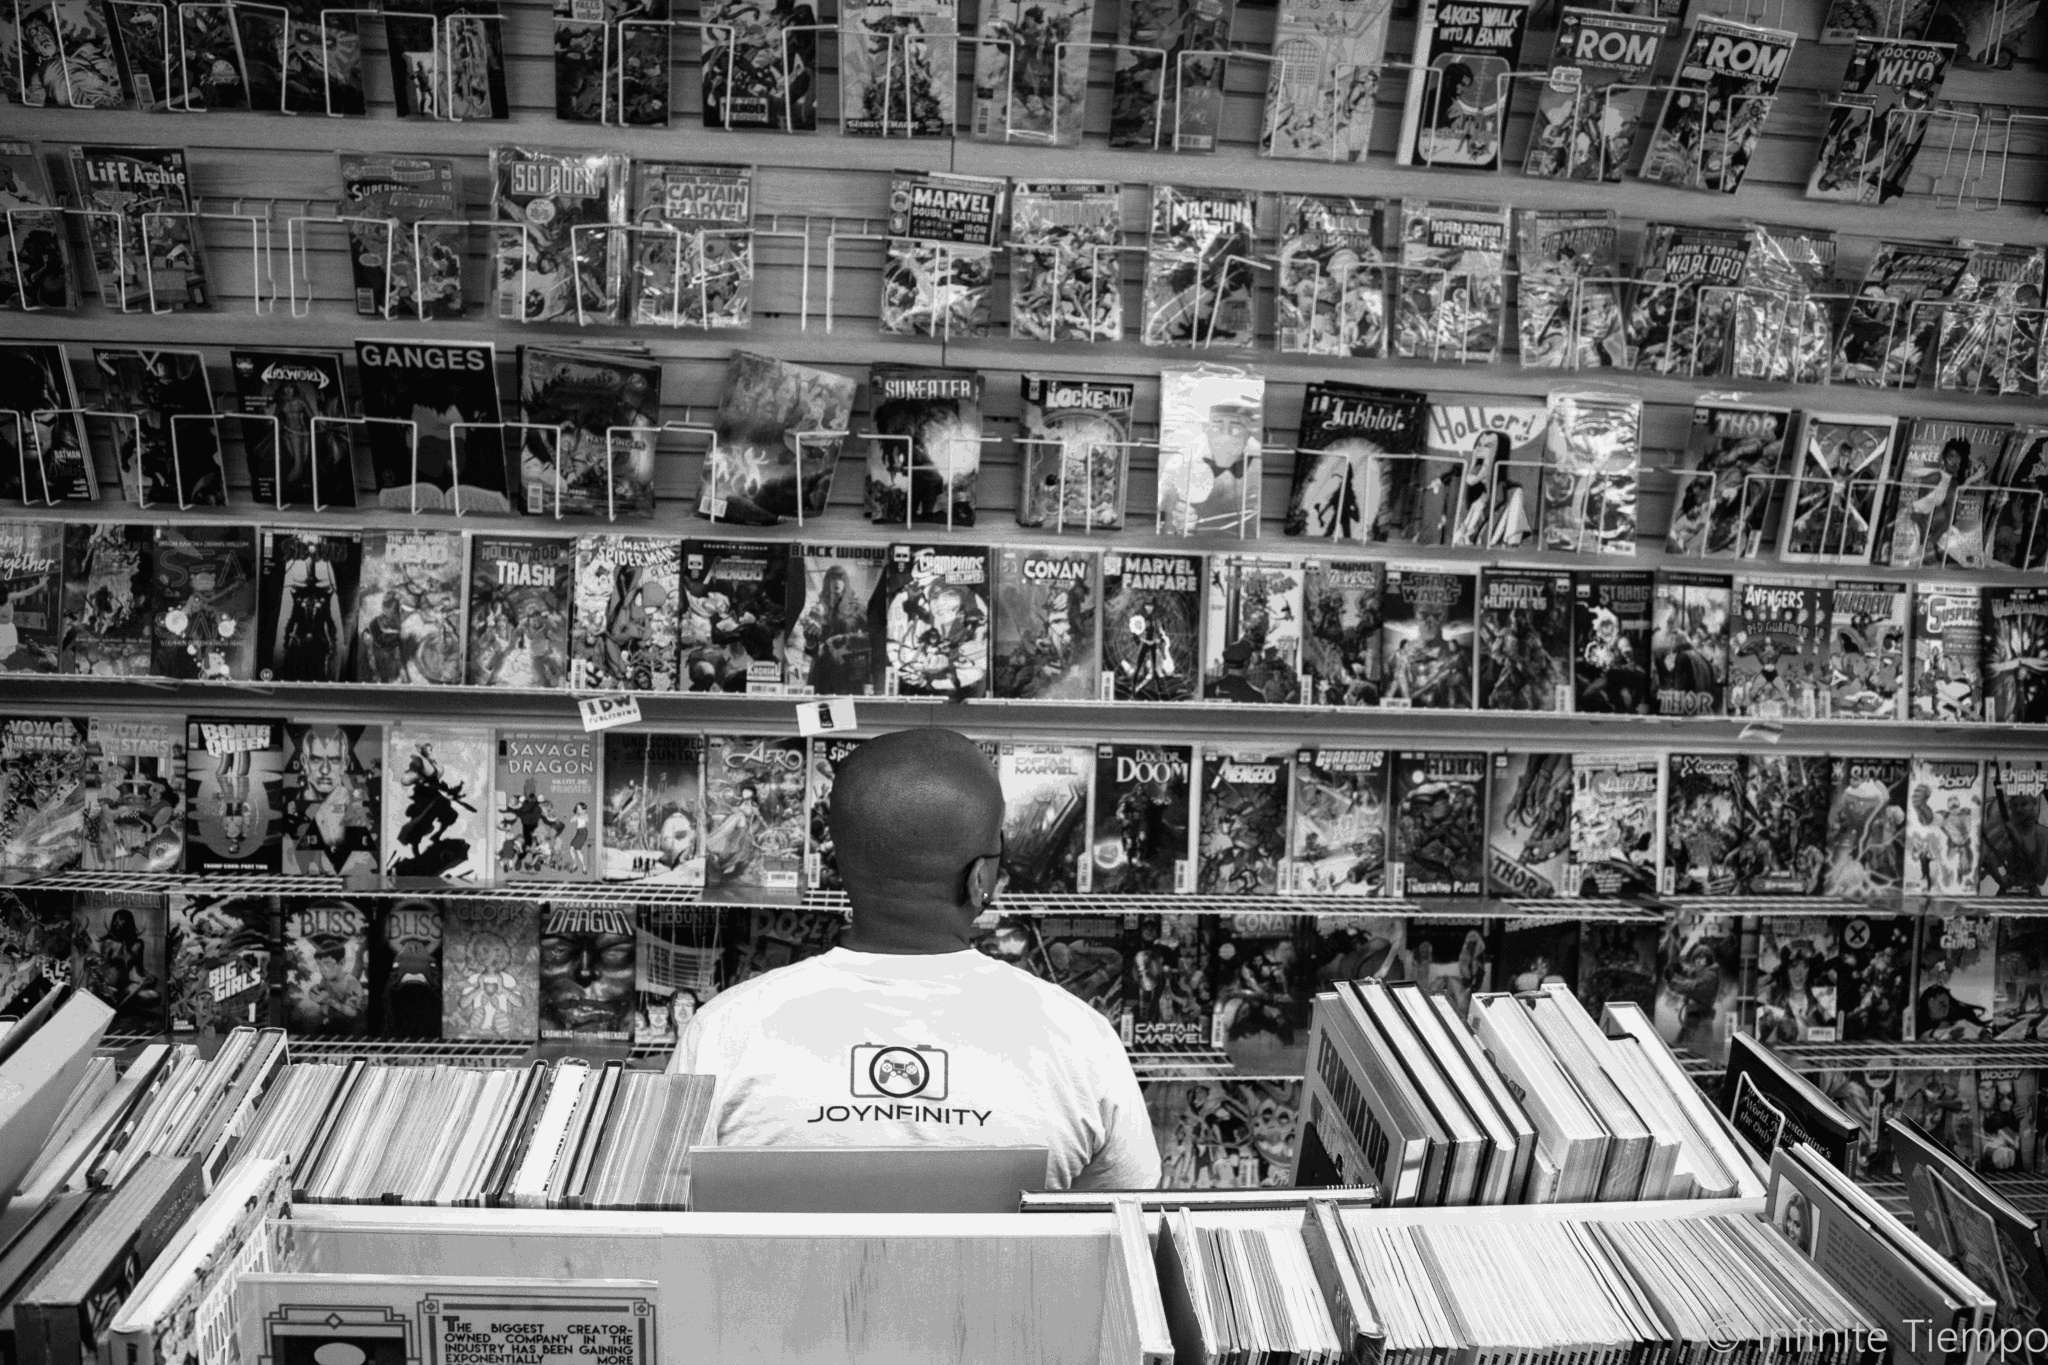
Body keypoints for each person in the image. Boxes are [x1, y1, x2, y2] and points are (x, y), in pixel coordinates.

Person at [671, 727, 1160, 1191]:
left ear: (839, 865)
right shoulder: (1079, 1040)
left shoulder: (721, 1033)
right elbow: (1123, 1215)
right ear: (981, 879)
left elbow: (661, 1209)